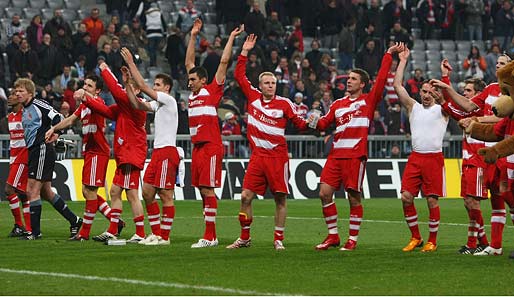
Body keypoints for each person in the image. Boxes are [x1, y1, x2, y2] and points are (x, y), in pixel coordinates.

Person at [309, 43, 403, 251]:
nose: (348, 81)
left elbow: (380, 79)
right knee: (324, 193)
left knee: (353, 196)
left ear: (362, 84)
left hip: (355, 155)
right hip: (335, 155)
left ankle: (352, 239)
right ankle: (333, 236)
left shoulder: (368, 101)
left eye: (353, 79)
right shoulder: (337, 104)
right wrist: (312, 120)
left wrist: (388, 54)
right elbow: (324, 124)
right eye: (348, 78)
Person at [226, 34, 309, 250]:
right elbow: (238, 74)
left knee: (280, 199)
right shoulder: (253, 97)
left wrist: (314, 123)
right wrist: (244, 52)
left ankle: (278, 239)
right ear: (260, 85)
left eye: (273, 83)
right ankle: (244, 238)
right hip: (257, 157)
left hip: (277, 156)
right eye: (266, 83)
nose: (270, 86)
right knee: (245, 197)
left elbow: (300, 124)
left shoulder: (285, 104)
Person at [430, 53, 513, 256]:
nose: (498, 67)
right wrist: (448, 87)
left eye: (503, 64)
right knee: (497, 200)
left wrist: (479, 121)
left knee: (505, 198)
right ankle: (493, 244)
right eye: (498, 64)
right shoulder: (489, 91)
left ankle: (481, 242)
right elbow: (465, 108)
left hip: (494, 153)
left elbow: (493, 117)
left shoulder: (506, 95)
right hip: (492, 151)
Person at [185, 19, 243, 248]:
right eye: (189, 79)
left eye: (192, 79)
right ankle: (209, 234)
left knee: (208, 188)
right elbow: (189, 60)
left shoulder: (212, 91)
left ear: (203, 80)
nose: (189, 83)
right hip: (197, 147)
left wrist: (230, 39)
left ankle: (210, 236)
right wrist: (193, 36)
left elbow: (224, 62)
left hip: (210, 145)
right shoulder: (192, 95)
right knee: (201, 189)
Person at [45, 75, 125, 241]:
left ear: (98, 91)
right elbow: (70, 120)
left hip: (98, 151)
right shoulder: (85, 106)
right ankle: (114, 221)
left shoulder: (98, 103)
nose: (86, 87)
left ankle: (84, 233)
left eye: (90, 85)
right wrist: (54, 129)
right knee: (86, 191)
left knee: (90, 191)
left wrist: (84, 94)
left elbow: (93, 104)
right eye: (85, 84)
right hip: (89, 151)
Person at [81, 63, 148, 243]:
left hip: (130, 154)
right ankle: (113, 229)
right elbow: (104, 110)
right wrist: (86, 99)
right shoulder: (123, 109)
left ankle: (140, 233)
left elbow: (116, 92)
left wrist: (104, 69)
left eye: (131, 87)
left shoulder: (137, 106)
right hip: (124, 154)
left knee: (131, 194)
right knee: (115, 191)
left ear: (136, 91)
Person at [121, 47, 179, 246]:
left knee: (164, 194)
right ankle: (155, 234)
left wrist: (131, 64)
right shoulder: (158, 105)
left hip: (167, 152)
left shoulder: (169, 100)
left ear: (167, 88)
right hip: (158, 153)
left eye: (158, 85)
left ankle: (165, 236)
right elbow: (136, 104)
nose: (154, 87)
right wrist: (128, 83)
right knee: (146, 192)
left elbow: (144, 89)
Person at [394, 46, 449, 252]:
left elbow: (449, 99)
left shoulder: (442, 110)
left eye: (430, 92)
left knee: (432, 201)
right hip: (415, 158)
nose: (426, 95)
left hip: (434, 159)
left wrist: (445, 76)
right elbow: (397, 85)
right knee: (406, 197)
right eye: (424, 91)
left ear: (436, 93)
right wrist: (402, 61)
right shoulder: (413, 107)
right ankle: (416, 237)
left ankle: (432, 240)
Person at [15, 78, 82, 240]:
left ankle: (35, 232)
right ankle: (75, 220)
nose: (17, 94)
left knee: (32, 191)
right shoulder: (25, 108)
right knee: (46, 192)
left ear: (30, 93)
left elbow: (58, 117)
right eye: (16, 91)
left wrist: (57, 133)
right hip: (35, 151)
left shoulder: (39, 104)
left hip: (42, 149)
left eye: (21, 91)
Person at [436, 68, 490, 254]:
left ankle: (472, 244)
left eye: (468, 91)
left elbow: (456, 105)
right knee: (468, 203)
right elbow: (452, 107)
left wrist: (445, 87)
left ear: (478, 94)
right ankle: (484, 241)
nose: (464, 93)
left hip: (478, 160)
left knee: (474, 203)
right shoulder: (467, 114)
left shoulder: (481, 110)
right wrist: (445, 78)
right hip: (468, 161)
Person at [5, 93, 31, 237]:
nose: (10, 97)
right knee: (22, 194)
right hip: (14, 158)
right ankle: (27, 227)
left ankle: (19, 225)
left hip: (23, 158)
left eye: (13, 95)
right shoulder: (10, 117)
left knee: (9, 189)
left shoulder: (25, 115)